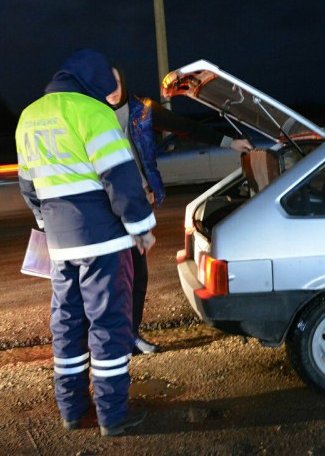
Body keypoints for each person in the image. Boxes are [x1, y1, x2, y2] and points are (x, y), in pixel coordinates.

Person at [15, 49, 156, 437]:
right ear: (93, 83)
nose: (110, 96)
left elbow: (28, 186)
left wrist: (46, 223)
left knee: (67, 324)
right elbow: (120, 178)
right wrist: (141, 228)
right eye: (106, 88)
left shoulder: (29, 116)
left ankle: (73, 410)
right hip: (103, 243)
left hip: (60, 246)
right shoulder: (94, 113)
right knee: (109, 325)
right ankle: (113, 416)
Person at [107, 64, 252, 355]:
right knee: (109, 275)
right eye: (104, 82)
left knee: (137, 274)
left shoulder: (143, 110)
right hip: (106, 204)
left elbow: (185, 126)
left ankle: (130, 336)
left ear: (124, 82)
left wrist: (230, 142)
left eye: (116, 81)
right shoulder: (90, 113)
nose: (110, 88)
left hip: (139, 202)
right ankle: (106, 340)